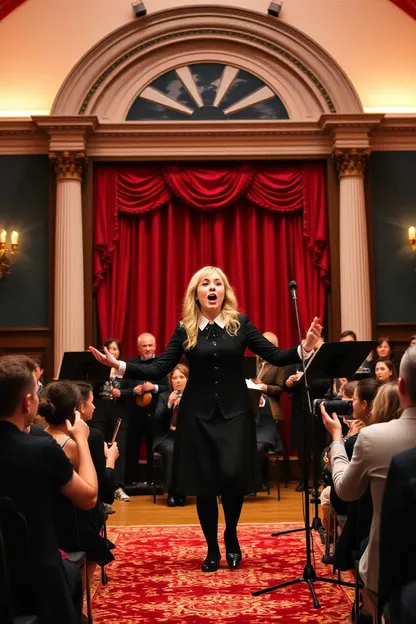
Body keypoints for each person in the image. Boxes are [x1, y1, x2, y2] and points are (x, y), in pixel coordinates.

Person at [90, 265, 322, 572]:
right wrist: (118, 365)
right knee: (204, 484)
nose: (212, 288)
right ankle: (212, 547)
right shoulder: (184, 329)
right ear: (196, 294)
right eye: (205, 284)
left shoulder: (240, 324)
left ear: (224, 292)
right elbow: (158, 368)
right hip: (196, 415)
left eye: (218, 284)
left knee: (232, 479)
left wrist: (304, 347)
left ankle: (231, 536)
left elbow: (276, 355)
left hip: (236, 414)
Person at [0, 354, 98, 623]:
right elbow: (89, 497)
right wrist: (81, 439)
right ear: (27, 402)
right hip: (36, 580)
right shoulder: (41, 449)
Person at [320, 346, 416, 604]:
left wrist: (337, 439)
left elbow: (345, 491)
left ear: (402, 387)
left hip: (389, 565)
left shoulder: (373, 438)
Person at [123, 333, 169, 487]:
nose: (148, 349)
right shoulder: (131, 364)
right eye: (144, 346)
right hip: (135, 413)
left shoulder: (162, 363)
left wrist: (154, 387)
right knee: (132, 447)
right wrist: (133, 390)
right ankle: (131, 481)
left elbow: (168, 387)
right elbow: (122, 390)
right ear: (138, 348)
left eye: (150, 345)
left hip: (156, 412)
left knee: (152, 446)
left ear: (155, 346)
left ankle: (153, 480)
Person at [92, 338, 130, 502]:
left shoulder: (125, 368)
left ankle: (118, 487)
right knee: (99, 449)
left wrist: (123, 392)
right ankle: (99, 484)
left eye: (115, 349)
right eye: (109, 349)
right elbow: (91, 388)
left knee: (118, 450)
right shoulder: (98, 368)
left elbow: (133, 388)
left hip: (119, 413)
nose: (112, 352)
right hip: (99, 413)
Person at [153, 364, 189, 507]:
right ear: (170, 380)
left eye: (182, 377)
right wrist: (169, 404)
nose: (178, 381)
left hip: (187, 436)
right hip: (166, 436)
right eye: (175, 378)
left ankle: (184, 491)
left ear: (187, 379)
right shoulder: (163, 396)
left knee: (187, 449)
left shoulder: (193, 396)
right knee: (171, 450)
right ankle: (172, 492)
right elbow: (157, 419)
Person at [254, 332, 285, 421]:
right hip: (252, 409)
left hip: (270, 410)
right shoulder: (255, 360)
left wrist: (266, 387)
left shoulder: (279, 364)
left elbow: (281, 389)